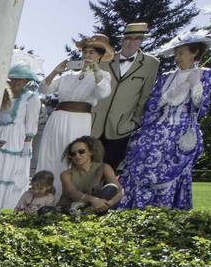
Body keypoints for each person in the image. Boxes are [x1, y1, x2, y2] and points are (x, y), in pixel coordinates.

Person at [119, 31, 211, 210]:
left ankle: (167, 209)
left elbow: (201, 109)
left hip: (181, 130)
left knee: (172, 168)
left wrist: (196, 86)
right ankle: (136, 207)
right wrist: (165, 98)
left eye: (181, 53)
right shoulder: (166, 77)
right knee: (139, 151)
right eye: (176, 53)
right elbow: (151, 106)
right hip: (156, 128)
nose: (177, 57)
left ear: (194, 52)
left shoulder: (206, 75)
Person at [38, 35, 114, 202]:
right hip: (57, 119)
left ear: (100, 56)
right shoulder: (68, 76)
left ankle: (66, 199)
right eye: (85, 52)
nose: (87, 55)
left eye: (92, 52)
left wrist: (95, 71)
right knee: (52, 154)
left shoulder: (102, 76)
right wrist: (55, 72)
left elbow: (103, 93)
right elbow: (44, 89)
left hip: (78, 120)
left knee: (72, 156)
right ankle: (45, 196)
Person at [91, 22, 161, 169]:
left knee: (109, 169)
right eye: (129, 38)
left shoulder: (151, 63)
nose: (133, 42)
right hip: (94, 124)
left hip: (122, 127)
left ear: (142, 41)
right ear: (122, 40)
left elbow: (145, 95)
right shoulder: (105, 59)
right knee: (87, 167)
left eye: (138, 39)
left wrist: (135, 122)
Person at [0, 65, 43, 208]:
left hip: (16, 139)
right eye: (13, 78)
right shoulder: (2, 94)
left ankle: (8, 205)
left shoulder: (31, 98)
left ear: (26, 80)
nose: (16, 82)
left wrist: (27, 142)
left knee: (12, 171)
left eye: (20, 79)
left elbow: (32, 122)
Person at [58, 135, 124, 214]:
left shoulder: (103, 167)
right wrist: (94, 200)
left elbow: (120, 191)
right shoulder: (66, 174)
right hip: (67, 209)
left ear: (91, 152)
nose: (77, 156)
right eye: (73, 154)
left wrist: (107, 204)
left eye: (81, 151)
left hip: (93, 208)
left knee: (111, 188)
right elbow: (72, 193)